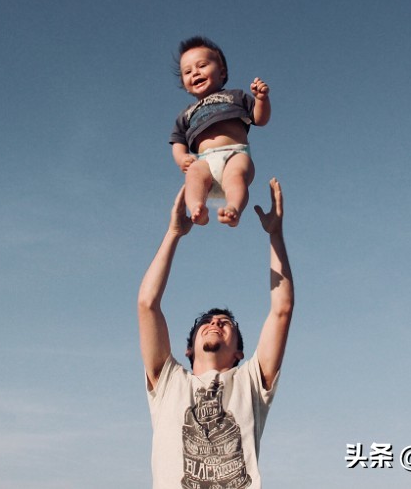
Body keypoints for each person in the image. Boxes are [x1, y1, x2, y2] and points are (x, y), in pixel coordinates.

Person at [138, 178, 294, 489]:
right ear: (188, 349)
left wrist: (275, 235)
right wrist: (173, 234)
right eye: (207, 322)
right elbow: (147, 304)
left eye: (226, 323)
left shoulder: (251, 381)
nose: (216, 323)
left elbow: (282, 309)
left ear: (239, 352)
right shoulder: (169, 382)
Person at [170, 36, 270, 227]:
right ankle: (197, 208)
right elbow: (177, 140)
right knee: (193, 175)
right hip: (204, 160)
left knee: (235, 177)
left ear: (222, 72)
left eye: (202, 65)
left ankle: (233, 208)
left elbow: (260, 119)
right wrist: (182, 158)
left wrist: (261, 100)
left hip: (235, 153)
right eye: (188, 71)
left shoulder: (236, 96)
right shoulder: (187, 113)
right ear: (184, 83)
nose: (195, 73)